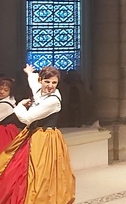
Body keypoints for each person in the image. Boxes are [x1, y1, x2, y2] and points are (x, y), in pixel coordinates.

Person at [0, 65, 75, 203]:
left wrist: (20, 106)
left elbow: (28, 118)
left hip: (45, 138)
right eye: (47, 82)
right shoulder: (40, 89)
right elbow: (33, 82)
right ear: (41, 80)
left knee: (40, 173)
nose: (50, 86)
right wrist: (29, 72)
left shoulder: (53, 100)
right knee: (14, 167)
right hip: (32, 135)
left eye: (54, 83)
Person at [0, 77, 21, 149]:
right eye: (0, 89)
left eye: (6, 90)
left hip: (4, 134)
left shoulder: (5, 104)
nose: (2, 92)